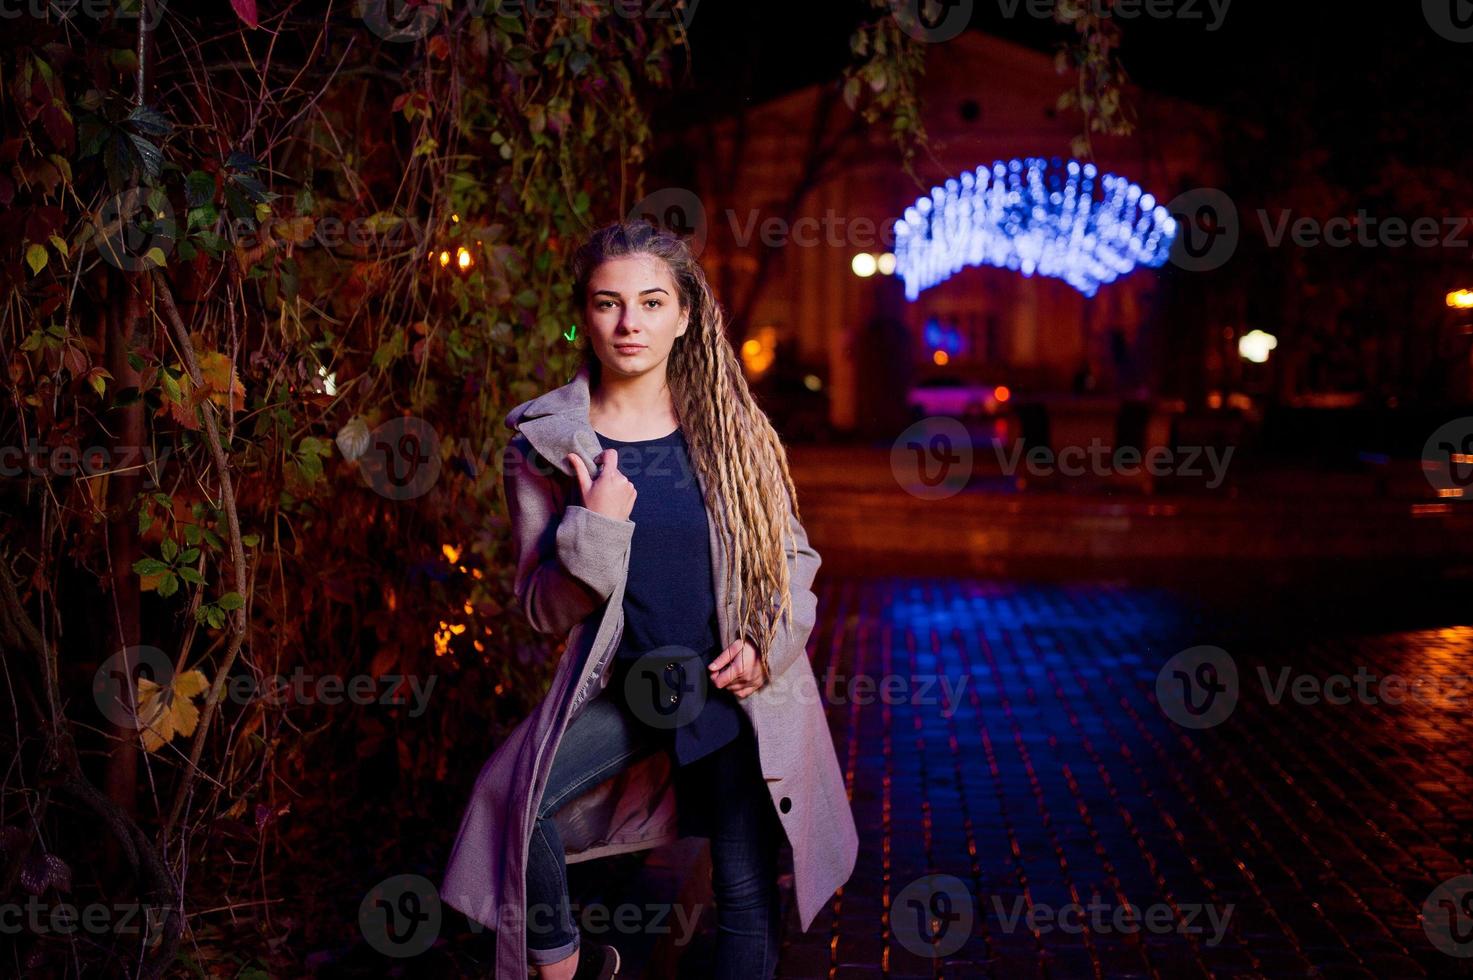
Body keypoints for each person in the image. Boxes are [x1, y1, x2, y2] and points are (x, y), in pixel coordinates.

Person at [440, 220, 858, 980]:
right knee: (514, 803)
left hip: (734, 689)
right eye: (608, 303)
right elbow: (539, 608)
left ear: (685, 315)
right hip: (625, 687)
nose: (629, 323)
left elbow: (793, 558)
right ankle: (568, 967)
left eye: (650, 301)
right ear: (585, 314)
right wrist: (594, 527)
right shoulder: (544, 442)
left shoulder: (732, 432)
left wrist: (767, 645)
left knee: (744, 897)